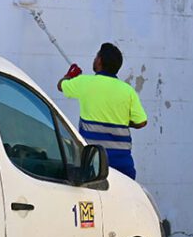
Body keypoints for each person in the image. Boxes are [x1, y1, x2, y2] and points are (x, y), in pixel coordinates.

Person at [58, 43, 147, 179]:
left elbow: (61, 86)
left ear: (99, 60)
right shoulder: (128, 90)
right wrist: (120, 119)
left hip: (93, 162)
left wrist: (70, 75)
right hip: (122, 164)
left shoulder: (84, 82)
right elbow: (141, 122)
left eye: (96, 56)